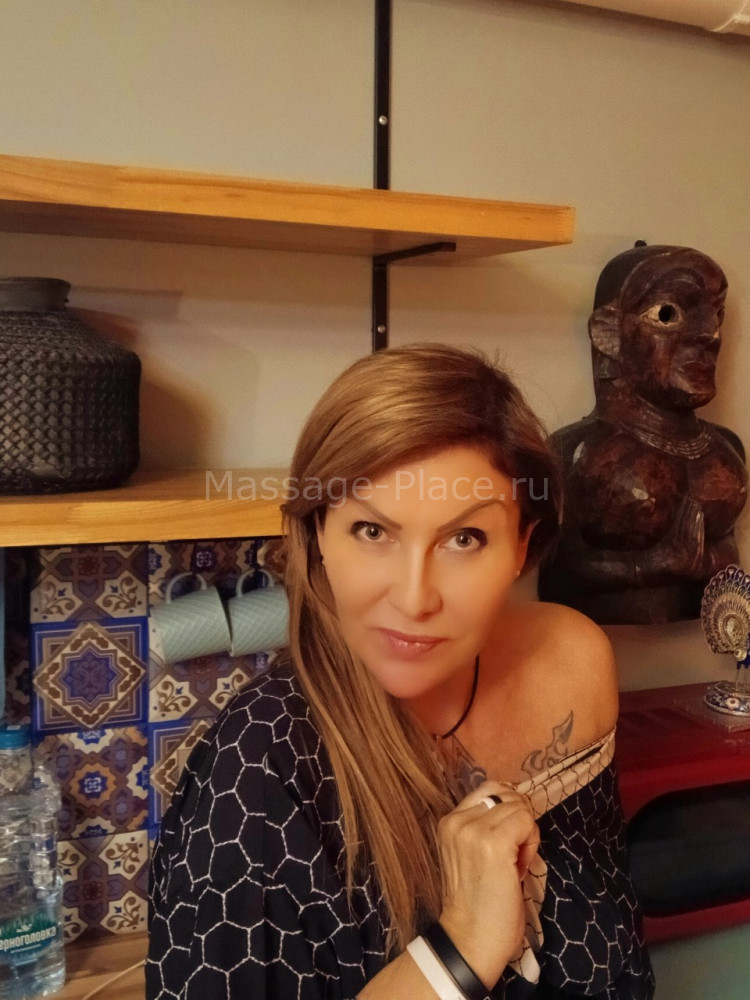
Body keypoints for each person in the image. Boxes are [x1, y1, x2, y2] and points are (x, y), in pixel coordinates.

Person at [146, 344, 654, 999]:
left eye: (464, 539)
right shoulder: (258, 772)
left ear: (520, 546)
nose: (414, 600)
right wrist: (461, 949)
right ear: (319, 535)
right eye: (372, 531)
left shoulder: (570, 665)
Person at [538, 243, 747, 625]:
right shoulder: (575, 450)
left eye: (717, 313)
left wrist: (708, 561)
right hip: (598, 636)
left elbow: (728, 552)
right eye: (668, 314)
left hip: (699, 644)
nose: (711, 334)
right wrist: (655, 564)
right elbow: (557, 569)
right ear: (608, 333)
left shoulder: (726, 449)